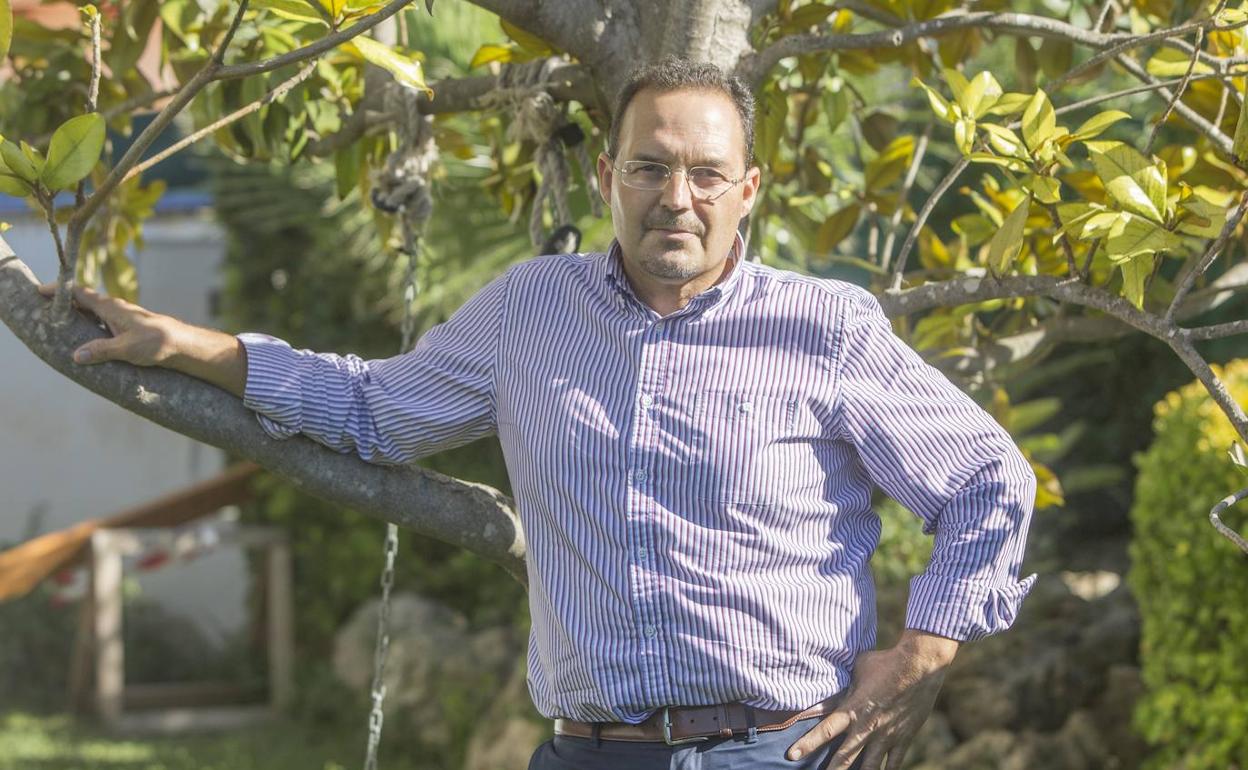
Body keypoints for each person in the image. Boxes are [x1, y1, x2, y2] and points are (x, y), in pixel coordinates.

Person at [41, 57, 1036, 770]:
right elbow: (373, 409)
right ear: (607, 178)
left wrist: (923, 652)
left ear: (748, 192)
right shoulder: (529, 309)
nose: (675, 196)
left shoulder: (824, 326)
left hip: (782, 747)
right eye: (648, 166)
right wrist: (193, 347)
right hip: (588, 751)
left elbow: (988, 478)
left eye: (704, 174)